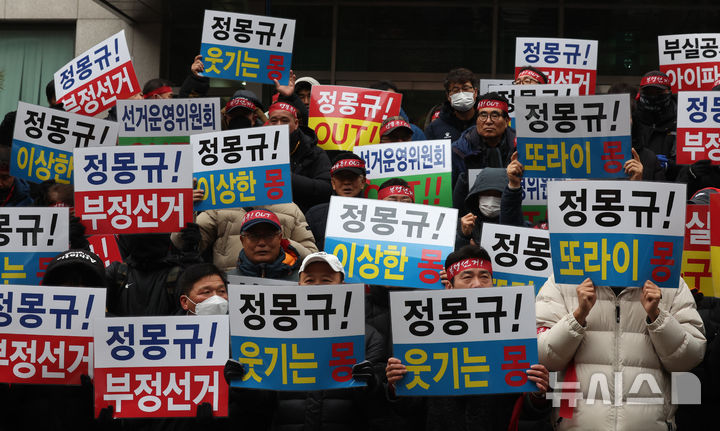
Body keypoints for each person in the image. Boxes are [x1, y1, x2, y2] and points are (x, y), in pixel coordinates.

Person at [385, 245, 552, 431]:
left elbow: (528, 410)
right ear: (449, 286)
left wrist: (537, 395)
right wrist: (396, 385)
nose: (477, 284)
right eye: (467, 277)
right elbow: (408, 408)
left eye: (484, 277)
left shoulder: (516, 330)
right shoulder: (421, 330)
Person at [536, 271, 706, 429]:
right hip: (577, 425)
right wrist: (578, 316)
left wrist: (657, 317)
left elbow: (689, 358)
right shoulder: (562, 279)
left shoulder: (669, 282)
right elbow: (544, 356)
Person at [270, 252, 386, 431]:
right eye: (309, 281)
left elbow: (378, 408)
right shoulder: (275, 336)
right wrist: (242, 384)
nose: (317, 287)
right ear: (298, 286)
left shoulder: (369, 337)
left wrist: (370, 384)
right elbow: (261, 405)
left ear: (342, 286)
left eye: (326, 280)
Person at [267, 100, 333, 213]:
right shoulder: (257, 151)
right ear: (268, 124)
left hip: (303, 218)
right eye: (274, 121)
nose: (279, 125)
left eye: (284, 120)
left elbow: (327, 189)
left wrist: (286, 178)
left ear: (296, 123)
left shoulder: (315, 153)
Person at [451, 92, 515, 190]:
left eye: (495, 115)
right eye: (483, 115)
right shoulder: (458, 151)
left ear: (506, 121)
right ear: (476, 120)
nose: (488, 121)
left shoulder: (520, 149)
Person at [305, 153, 367, 250]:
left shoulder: (375, 215)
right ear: (333, 183)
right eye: (341, 177)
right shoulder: (315, 215)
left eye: (352, 177)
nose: (347, 182)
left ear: (363, 182)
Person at [631, 71, 681, 181]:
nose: (653, 96)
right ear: (641, 92)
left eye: (659, 92)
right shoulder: (631, 117)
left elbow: (689, 162)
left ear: (669, 91)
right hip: (637, 179)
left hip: (672, 184)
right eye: (648, 92)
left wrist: (670, 165)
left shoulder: (683, 117)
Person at [229, 209, 301, 281]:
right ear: (242, 240)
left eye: (269, 235)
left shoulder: (302, 282)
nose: (262, 243)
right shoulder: (226, 283)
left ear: (280, 238)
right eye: (253, 236)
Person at [455, 167, 508, 249]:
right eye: (486, 193)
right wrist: (464, 237)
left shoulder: (518, 225)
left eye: (497, 194)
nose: (491, 200)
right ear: (477, 196)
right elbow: (450, 257)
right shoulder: (463, 224)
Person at [424, 68, 479, 142]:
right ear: (448, 96)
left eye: (465, 88)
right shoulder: (434, 128)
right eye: (455, 90)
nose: (461, 94)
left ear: (475, 92)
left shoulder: (486, 123)